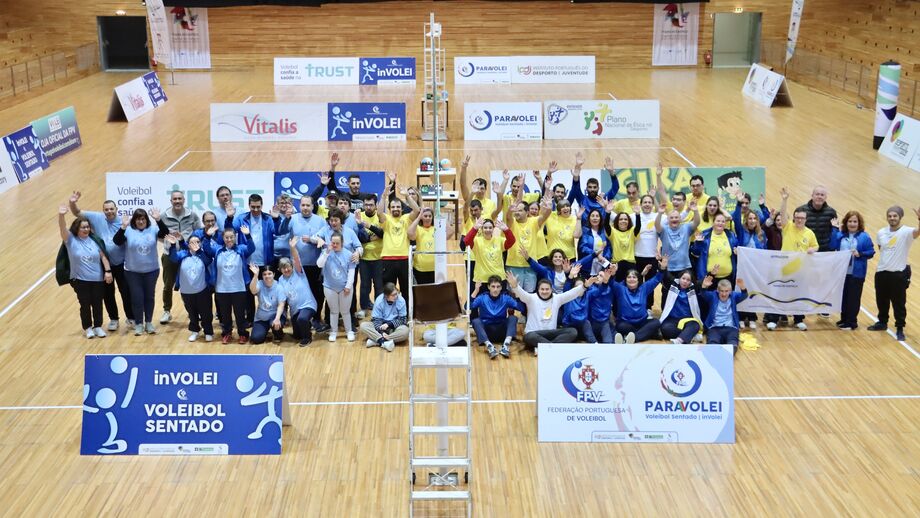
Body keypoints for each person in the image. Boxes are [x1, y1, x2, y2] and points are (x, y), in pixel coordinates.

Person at [68, 191, 132, 330]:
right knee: (108, 294)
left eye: (111, 209)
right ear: (103, 211)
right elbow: (77, 212)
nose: (109, 212)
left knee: (125, 291)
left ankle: (131, 318)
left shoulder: (124, 222)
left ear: (116, 210)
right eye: (106, 209)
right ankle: (114, 319)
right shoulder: (96, 217)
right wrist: (73, 202)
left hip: (121, 264)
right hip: (104, 264)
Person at [765, 188, 818, 331]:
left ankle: (798, 319)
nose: (799, 220)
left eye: (802, 218)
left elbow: (815, 246)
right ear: (794, 218)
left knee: (799, 294)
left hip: (801, 270)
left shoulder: (809, 233)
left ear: (805, 219)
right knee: (779, 293)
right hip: (784, 267)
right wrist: (784, 200)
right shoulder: (787, 227)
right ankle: (773, 319)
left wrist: (813, 249)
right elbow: (782, 215)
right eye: (797, 217)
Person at [113, 208, 170, 335]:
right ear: (134, 220)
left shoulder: (153, 229)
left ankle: (149, 322)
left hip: (151, 270)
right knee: (137, 298)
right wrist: (123, 227)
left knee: (149, 297)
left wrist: (158, 220)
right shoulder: (128, 230)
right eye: (138, 219)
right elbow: (117, 241)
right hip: (132, 272)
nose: (141, 221)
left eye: (143, 218)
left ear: (146, 220)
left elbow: (165, 233)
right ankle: (139, 323)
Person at [58, 205, 112, 338]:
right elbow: (63, 228)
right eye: (83, 227)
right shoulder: (70, 240)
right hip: (80, 280)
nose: (86, 229)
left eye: (87, 227)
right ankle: (88, 328)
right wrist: (61, 216)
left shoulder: (94, 240)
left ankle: (98, 326)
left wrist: (108, 271)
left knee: (98, 303)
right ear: (77, 228)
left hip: (98, 279)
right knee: (85, 304)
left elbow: (103, 257)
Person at [509, 270, 592, 356]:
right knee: (528, 337)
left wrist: (584, 286)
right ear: (538, 289)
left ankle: (544, 348)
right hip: (535, 333)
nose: (544, 291)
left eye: (547, 289)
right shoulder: (531, 298)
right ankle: (553, 348)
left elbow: (571, 294)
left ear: (551, 289)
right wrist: (515, 286)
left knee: (573, 332)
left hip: (551, 333)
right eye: (542, 289)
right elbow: (521, 294)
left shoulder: (557, 298)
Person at [868, 205, 919, 341]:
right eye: (890, 216)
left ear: (900, 217)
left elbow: (918, 231)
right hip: (881, 272)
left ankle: (900, 328)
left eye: (895, 216)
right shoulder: (881, 232)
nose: (892, 218)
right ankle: (882, 322)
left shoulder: (906, 232)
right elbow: (882, 249)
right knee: (881, 300)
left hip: (898, 275)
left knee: (899, 303)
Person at [158, 190, 202, 325]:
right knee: (168, 284)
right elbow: (159, 235)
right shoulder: (164, 216)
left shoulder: (192, 215)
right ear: (171, 201)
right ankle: (166, 311)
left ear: (184, 200)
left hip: (187, 256)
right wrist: (168, 244)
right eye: (174, 199)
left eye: (179, 199)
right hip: (169, 255)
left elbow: (197, 232)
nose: (177, 201)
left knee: (188, 284)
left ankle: (191, 311)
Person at [827, 211, 875, 331]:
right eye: (850, 221)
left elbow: (871, 252)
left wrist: (861, 254)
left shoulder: (864, 237)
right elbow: (832, 245)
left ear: (859, 223)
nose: (852, 224)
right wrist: (834, 229)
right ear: (846, 222)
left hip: (857, 273)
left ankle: (852, 322)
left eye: (855, 221)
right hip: (842, 272)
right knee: (843, 296)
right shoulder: (841, 235)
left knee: (853, 298)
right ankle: (844, 319)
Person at [287, 195, 329, 331]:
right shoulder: (292, 219)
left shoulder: (321, 221)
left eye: (308, 205)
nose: (305, 208)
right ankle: (301, 318)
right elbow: (282, 233)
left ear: (312, 206)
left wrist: (312, 240)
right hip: (298, 265)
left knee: (317, 293)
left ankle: (317, 318)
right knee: (300, 293)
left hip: (315, 265)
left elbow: (324, 242)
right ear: (299, 206)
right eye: (303, 205)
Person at [377, 171, 420, 292]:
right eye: (393, 207)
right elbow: (379, 212)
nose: (396, 209)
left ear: (402, 208)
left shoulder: (406, 218)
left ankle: (405, 311)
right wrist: (384, 196)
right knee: (388, 290)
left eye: (398, 207)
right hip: (387, 259)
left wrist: (407, 196)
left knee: (406, 290)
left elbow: (416, 210)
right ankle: (389, 311)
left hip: (404, 259)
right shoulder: (386, 219)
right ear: (390, 209)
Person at [166, 233, 214, 342]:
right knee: (192, 313)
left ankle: (208, 331)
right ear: (188, 244)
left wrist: (199, 251)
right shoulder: (183, 254)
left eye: (197, 242)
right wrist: (173, 245)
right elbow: (173, 258)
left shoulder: (203, 255)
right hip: (186, 291)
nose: (195, 244)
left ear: (201, 244)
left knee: (206, 312)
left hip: (202, 290)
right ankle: (195, 331)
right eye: (192, 242)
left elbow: (208, 261)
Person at [212, 226, 255, 344]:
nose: (229, 239)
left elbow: (251, 248)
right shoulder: (218, 250)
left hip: (239, 288)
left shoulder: (241, 249)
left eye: (231, 237)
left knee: (240, 314)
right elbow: (206, 247)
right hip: (221, 288)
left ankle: (242, 333)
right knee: (225, 314)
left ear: (235, 237)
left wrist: (248, 235)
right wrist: (207, 236)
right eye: (226, 237)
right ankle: (227, 333)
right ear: (223, 238)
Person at [655, 199, 701, 308]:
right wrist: (660, 213)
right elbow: (657, 225)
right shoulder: (664, 230)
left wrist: (695, 211)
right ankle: (665, 316)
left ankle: (687, 313)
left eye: (676, 217)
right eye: (672, 217)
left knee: (688, 292)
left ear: (680, 219)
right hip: (668, 268)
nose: (674, 219)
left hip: (685, 267)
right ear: (668, 220)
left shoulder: (686, 228)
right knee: (667, 291)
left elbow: (697, 222)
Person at [732, 196, 768, 328]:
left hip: (755, 268)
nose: (752, 220)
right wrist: (738, 203)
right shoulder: (742, 231)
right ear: (746, 220)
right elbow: (736, 218)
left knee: (754, 291)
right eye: (750, 218)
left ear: (757, 220)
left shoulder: (762, 234)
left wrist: (763, 206)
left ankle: (752, 316)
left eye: (754, 218)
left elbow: (764, 251)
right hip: (742, 267)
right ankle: (741, 316)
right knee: (742, 289)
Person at [611, 258, 667, 343]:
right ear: (625, 280)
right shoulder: (620, 289)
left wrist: (662, 269)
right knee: (620, 326)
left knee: (656, 322)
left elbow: (656, 279)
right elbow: (611, 283)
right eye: (629, 277)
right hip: (626, 323)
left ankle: (633, 338)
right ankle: (646, 334)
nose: (631, 279)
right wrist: (613, 273)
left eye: (634, 277)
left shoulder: (644, 288)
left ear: (638, 280)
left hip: (642, 322)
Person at [506, 194, 552, 293]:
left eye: (520, 210)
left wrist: (549, 208)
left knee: (529, 294)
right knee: (513, 294)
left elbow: (544, 216)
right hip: (514, 264)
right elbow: (508, 217)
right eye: (516, 210)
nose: (517, 213)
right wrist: (510, 210)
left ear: (527, 212)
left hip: (530, 265)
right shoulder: (512, 222)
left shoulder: (534, 222)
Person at [317, 232, 358, 342]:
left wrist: (348, 286)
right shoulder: (326, 252)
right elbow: (319, 264)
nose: (334, 245)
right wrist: (326, 252)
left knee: (345, 311)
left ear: (342, 243)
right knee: (334, 311)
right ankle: (333, 331)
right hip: (330, 287)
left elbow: (351, 271)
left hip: (345, 287)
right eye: (333, 243)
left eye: (337, 243)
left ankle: (349, 331)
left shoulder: (349, 254)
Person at [470, 276, 525, 358]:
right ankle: (490, 347)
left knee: (513, 318)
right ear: (488, 287)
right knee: (476, 321)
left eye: (498, 287)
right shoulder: (482, 297)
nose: (495, 289)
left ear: (501, 287)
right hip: (486, 333)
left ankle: (506, 345)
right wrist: (476, 290)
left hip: (502, 332)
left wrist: (515, 290)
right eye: (493, 286)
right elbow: (467, 307)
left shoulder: (506, 298)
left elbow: (521, 308)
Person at [278, 236, 318, 347]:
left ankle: (307, 338)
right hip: (295, 310)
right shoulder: (280, 280)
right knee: (297, 335)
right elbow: (282, 299)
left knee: (302, 319)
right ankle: (306, 326)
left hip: (308, 305)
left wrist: (292, 247)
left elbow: (296, 258)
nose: (286, 270)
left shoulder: (298, 272)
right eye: (283, 268)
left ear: (292, 266)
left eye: (288, 267)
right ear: (280, 270)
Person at [700, 277, 749, 356]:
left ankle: (726, 357)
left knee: (732, 344)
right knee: (712, 344)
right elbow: (703, 294)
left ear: (730, 291)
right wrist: (704, 286)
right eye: (721, 291)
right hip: (714, 327)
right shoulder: (713, 296)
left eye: (726, 291)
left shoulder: (734, 296)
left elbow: (744, 295)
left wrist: (743, 288)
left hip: (731, 327)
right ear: (717, 290)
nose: (724, 294)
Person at [354, 194, 384, 319]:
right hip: (364, 258)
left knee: (379, 285)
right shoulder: (358, 216)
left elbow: (383, 234)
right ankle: (364, 308)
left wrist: (369, 226)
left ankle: (379, 309)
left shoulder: (380, 217)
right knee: (365, 285)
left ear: (376, 205)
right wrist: (371, 237)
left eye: (371, 205)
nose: (368, 207)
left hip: (379, 258)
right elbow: (359, 237)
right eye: (366, 204)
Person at [570, 154, 620, 226]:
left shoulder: (603, 199)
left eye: (594, 187)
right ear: (586, 188)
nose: (592, 189)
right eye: (590, 187)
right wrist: (576, 176)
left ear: (598, 188)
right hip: (586, 233)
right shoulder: (582, 199)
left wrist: (611, 173)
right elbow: (575, 188)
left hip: (601, 232)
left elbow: (615, 187)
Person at [464, 218, 516, 287]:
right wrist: (475, 228)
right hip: (481, 280)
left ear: (493, 229)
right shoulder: (477, 241)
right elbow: (466, 241)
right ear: (481, 229)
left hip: (498, 279)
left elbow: (512, 241)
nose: (488, 230)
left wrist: (506, 230)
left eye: (490, 228)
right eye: (485, 228)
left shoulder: (499, 240)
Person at [361, 282, 409, 352]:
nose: (396, 296)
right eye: (393, 295)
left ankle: (377, 341)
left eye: (396, 293)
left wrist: (389, 324)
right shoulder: (379, 301)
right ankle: (385, 341)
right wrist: (381, 332)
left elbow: (403, 320)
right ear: (386, 296)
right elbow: (376, 320)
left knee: (405, 332)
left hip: (394, 327)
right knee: (363, 326)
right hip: (381, 326)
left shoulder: (401, 300)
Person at [659, 270, 703, 344]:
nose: (685, 281)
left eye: (688, 280)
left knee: (696, 325)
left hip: (688, 320)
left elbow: (704, 282)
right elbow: (666, 275)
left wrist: (711, 274)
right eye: (683, 278)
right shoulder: (672, 285)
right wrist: (663, 267)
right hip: (672, 320)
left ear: (690, 282)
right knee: (664, 329)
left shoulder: (693, 288)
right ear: (679, 279)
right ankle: (689, 335)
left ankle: (679, 340)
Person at [694, 213, 738, 288]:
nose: (720, 223)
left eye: (723, 221)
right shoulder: (705, 235)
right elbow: (695, 252)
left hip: (728, 278)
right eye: (718, 221)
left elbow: (737, 250)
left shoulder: (731, 236)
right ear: (713, 222)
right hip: (709, 278)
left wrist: (737, 252)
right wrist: (698, 242)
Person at [248, 264, 285, 345]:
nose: (267, 276)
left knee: (276, 325)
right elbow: (253, 290)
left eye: (269, 273)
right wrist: (255, 275)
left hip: (275, 316)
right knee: (256, 339)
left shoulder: (279, 287)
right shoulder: (260, 283)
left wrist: (277, 318)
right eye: (264, 274)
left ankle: (278, 333)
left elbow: (281, 305)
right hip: (261, 318)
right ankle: (264, 330)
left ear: (274, 274)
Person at [798, 185, 837, 252]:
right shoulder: (801, 210)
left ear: (825, 197)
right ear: (812, 196)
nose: (819, 197)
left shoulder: (831, 213)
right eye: (817, 194)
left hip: (824, 252)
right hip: (806, 250)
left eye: (822, 195)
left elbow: (834, 231)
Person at [583, 266, 616, 343]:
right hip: (592, 322)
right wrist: (604, 283)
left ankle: (622, 341)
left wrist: (612, 275)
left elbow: (612, 283)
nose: (597, 277)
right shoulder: (591, 290)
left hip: (604, 322)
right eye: (597, 275)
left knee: (608, 341)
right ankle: (594, 343)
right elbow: (597, 293)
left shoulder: (610, 289)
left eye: (601, 276)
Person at [608, 211, 640, 282]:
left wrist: (638, 215)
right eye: (621, 219)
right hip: (616, 264)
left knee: (631, 289)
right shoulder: (613, 232)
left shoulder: (632, 231)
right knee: (617, 289)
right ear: (617, 221)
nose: (623, 221)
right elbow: (606, 225)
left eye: (625, 219)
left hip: (630, 264)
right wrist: (608, 212)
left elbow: (638, 227)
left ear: (629, 221)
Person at [408, 207, 437, 285]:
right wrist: (418, 217)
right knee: (422, 292)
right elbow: (410, 234)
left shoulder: (436, 228)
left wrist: (438, 215)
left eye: (430, 216)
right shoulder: (418, 228)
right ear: (421, 217)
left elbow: (450, 232)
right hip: (420, 268)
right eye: (425, 216)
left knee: (434, 292)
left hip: (435, 267)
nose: (427, 218)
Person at [579, 208, 612, 275]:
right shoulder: (585, 231)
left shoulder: (604, 232)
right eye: (592, 216)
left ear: (600, 219)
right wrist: (596, 254)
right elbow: (583, 248)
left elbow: (609, 248)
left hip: (603, 266)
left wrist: (605, 258)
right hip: (588, 266)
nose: (595, 218)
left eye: (597, 216)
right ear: (589, 218)